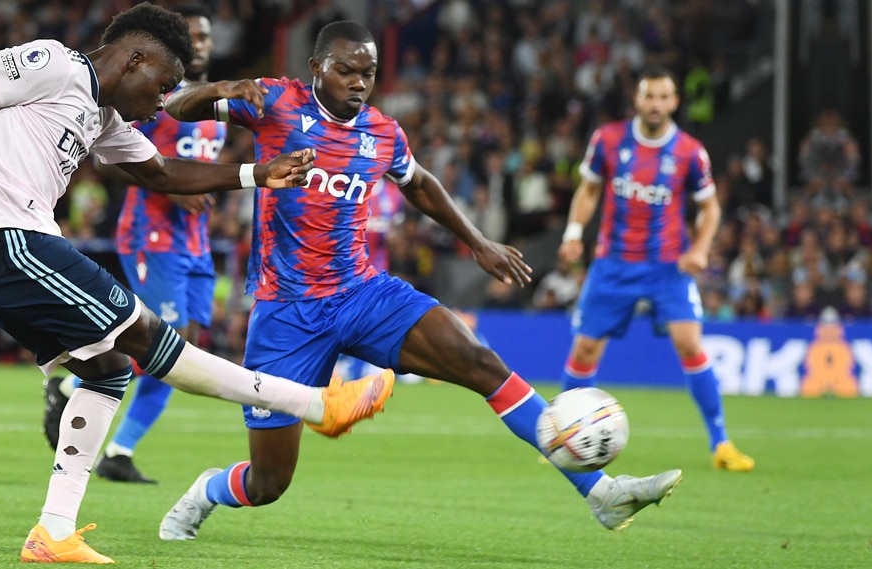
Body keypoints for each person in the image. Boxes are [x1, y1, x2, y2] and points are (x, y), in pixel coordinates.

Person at [0, 4, 392, 564]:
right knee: (150, 338)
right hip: (5, 241)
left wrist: (256, 174)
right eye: (163, 84)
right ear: (135, 58)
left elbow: (161, 172)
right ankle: (315, 405)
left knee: (109, 370)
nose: (163, 101)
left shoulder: (104, 118)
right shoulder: (56, 63)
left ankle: (53, 533)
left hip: (3, 256)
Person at [159, 20, 682, 542]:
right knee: (270, 481)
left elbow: (421, 184)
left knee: (482, 363)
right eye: (346, 71)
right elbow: (176, 106)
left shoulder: (382, 133)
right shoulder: (275, 102)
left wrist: (478, 242)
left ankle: (601, 493)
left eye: (368, 73)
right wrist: (223, 88)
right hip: (286, 313)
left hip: (362, 293)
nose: (359, 83)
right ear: (317, 67)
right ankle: (205, 491)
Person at [43, 2, 228, 485]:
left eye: (207, 38)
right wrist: (164, 185)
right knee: (168, 342)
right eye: (194, 37)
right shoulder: (155, 95)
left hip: (196, 243)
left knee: (185, 342)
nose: (201, 46)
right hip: (152, 234)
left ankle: (119, 450)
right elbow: (110, 157)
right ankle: (72, 385)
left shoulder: (216, 107)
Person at [557, 67, 755, 472]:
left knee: (690, 344)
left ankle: (721, 444)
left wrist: (700, 248)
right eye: (650, 97)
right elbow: (589, 188)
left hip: (668, 267)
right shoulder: (608, 140)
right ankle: (563, 438)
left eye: (664, 97)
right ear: (638, 99)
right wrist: (574, 232)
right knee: (585, 349)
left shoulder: (690, 152)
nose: (656, 105)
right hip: (613, 263)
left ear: (675, 102)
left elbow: (711, 208)